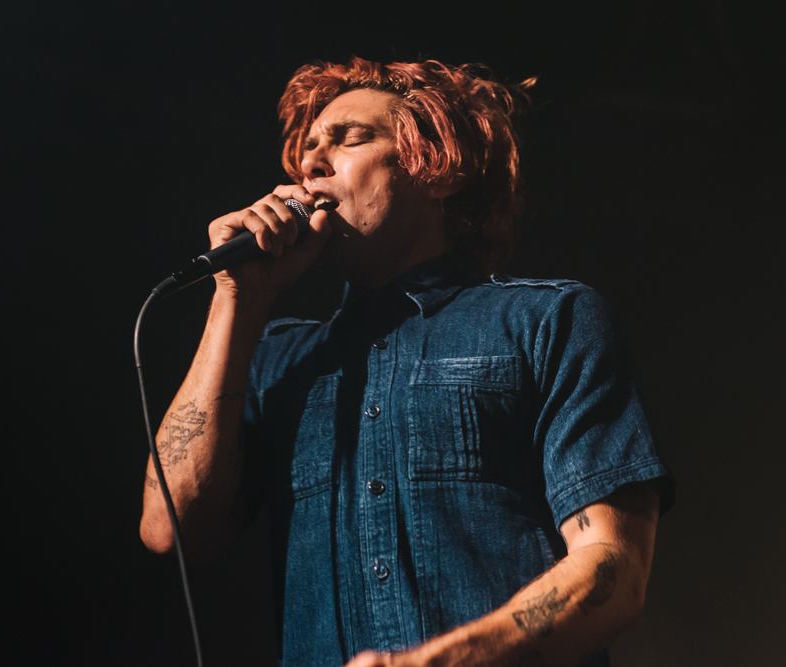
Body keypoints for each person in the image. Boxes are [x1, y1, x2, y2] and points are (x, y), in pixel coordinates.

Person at [140, 57, 674, 667]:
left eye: (350, 138)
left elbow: (614, 566)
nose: (312, 163)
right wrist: (238, 297)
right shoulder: (275, 357)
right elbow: (169, 529)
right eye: (308, 149)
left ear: (438, 169)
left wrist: (439, 662)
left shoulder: (551, 321)